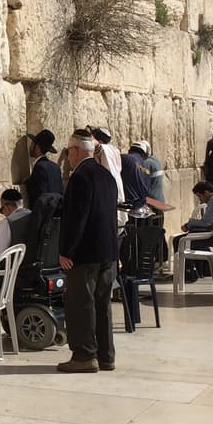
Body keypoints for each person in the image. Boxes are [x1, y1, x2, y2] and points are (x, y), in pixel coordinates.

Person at [57, 129, 119, 374]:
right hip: (107, 252)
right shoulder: (107, 175)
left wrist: (66, 251)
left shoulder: (80, 176)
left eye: (69, 152)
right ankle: (106, 355)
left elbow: (77, 218)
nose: (68, 158)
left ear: (76, 151)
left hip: (85, 254)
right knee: (102, 305)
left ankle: (84, 355)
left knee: (81, 304)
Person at [172, 181, 213, 280]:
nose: (201, 200)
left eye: (200, 196)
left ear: (206, 192)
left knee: (179, 240)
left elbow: (206, 222)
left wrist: (189, 224)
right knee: (192, 236)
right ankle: (204, 270)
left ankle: (188, 273)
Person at [24, 129, 63, 205]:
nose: (30, 146)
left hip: (44, 215)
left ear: (37, 147)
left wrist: (27, 182)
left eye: (32, 144)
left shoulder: (40, 167)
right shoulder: (56, 167)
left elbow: (38, 194)